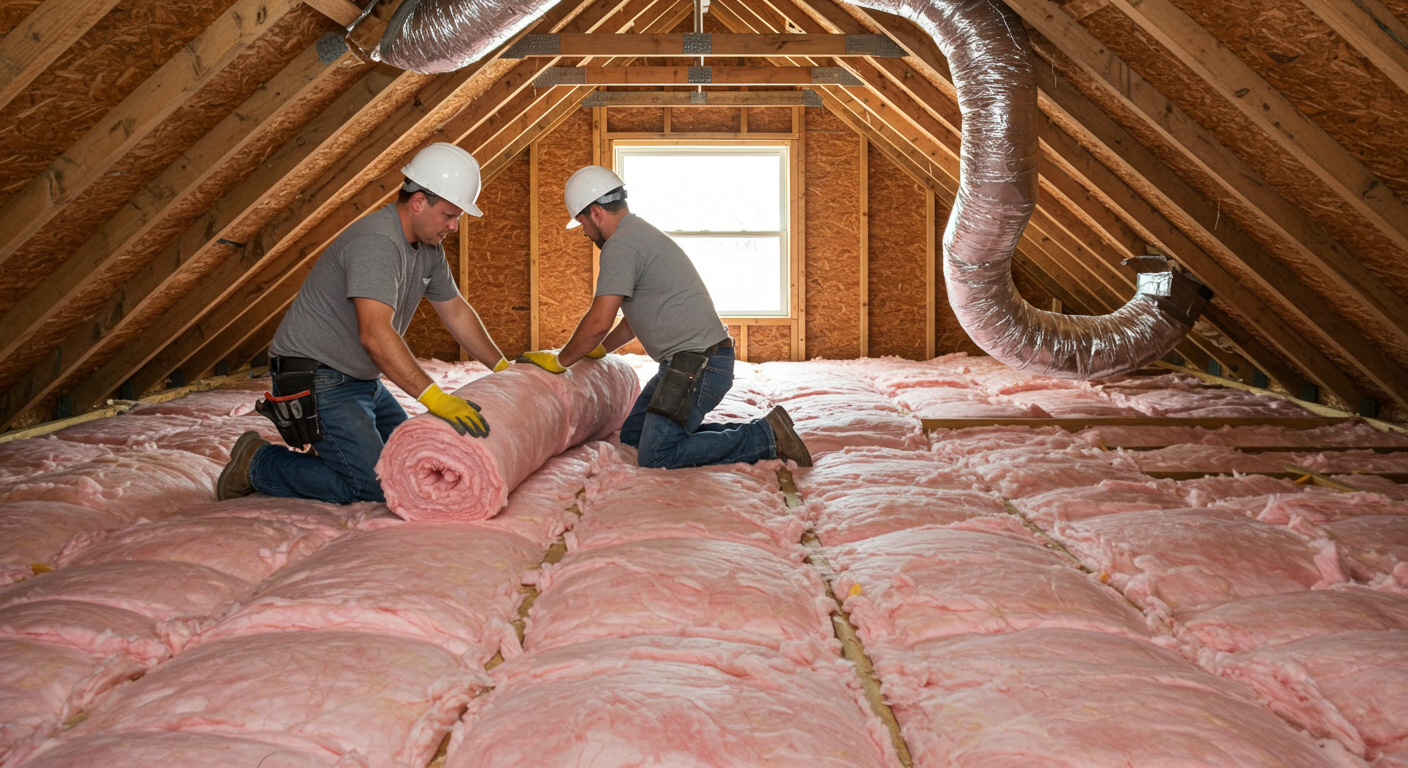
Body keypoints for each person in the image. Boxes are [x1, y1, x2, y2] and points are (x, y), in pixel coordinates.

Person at [216, 142, 507, 503]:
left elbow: (456, 311)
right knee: (373, 486)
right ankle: (258, 463)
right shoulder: (377, 242)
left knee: (413, 464)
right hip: (316, 377)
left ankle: (335, 452)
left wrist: (503, 367)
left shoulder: (429, 249)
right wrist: (434, 397)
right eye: (449, 214)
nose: (455, 225)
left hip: (361, 381)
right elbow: (375, 333)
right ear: (418, 201)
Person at [517, 165, 811, 469]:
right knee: (635, 435)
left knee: (657, 454)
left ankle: (765, 438)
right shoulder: (638, 233)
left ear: (596, 212)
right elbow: (635, 319)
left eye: (582, 222)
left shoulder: (621, 245)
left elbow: (599, 320)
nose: (584, 232)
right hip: (692, 362)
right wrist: (603, 348)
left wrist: (561, 360)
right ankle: (767, 430)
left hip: (698, 364)